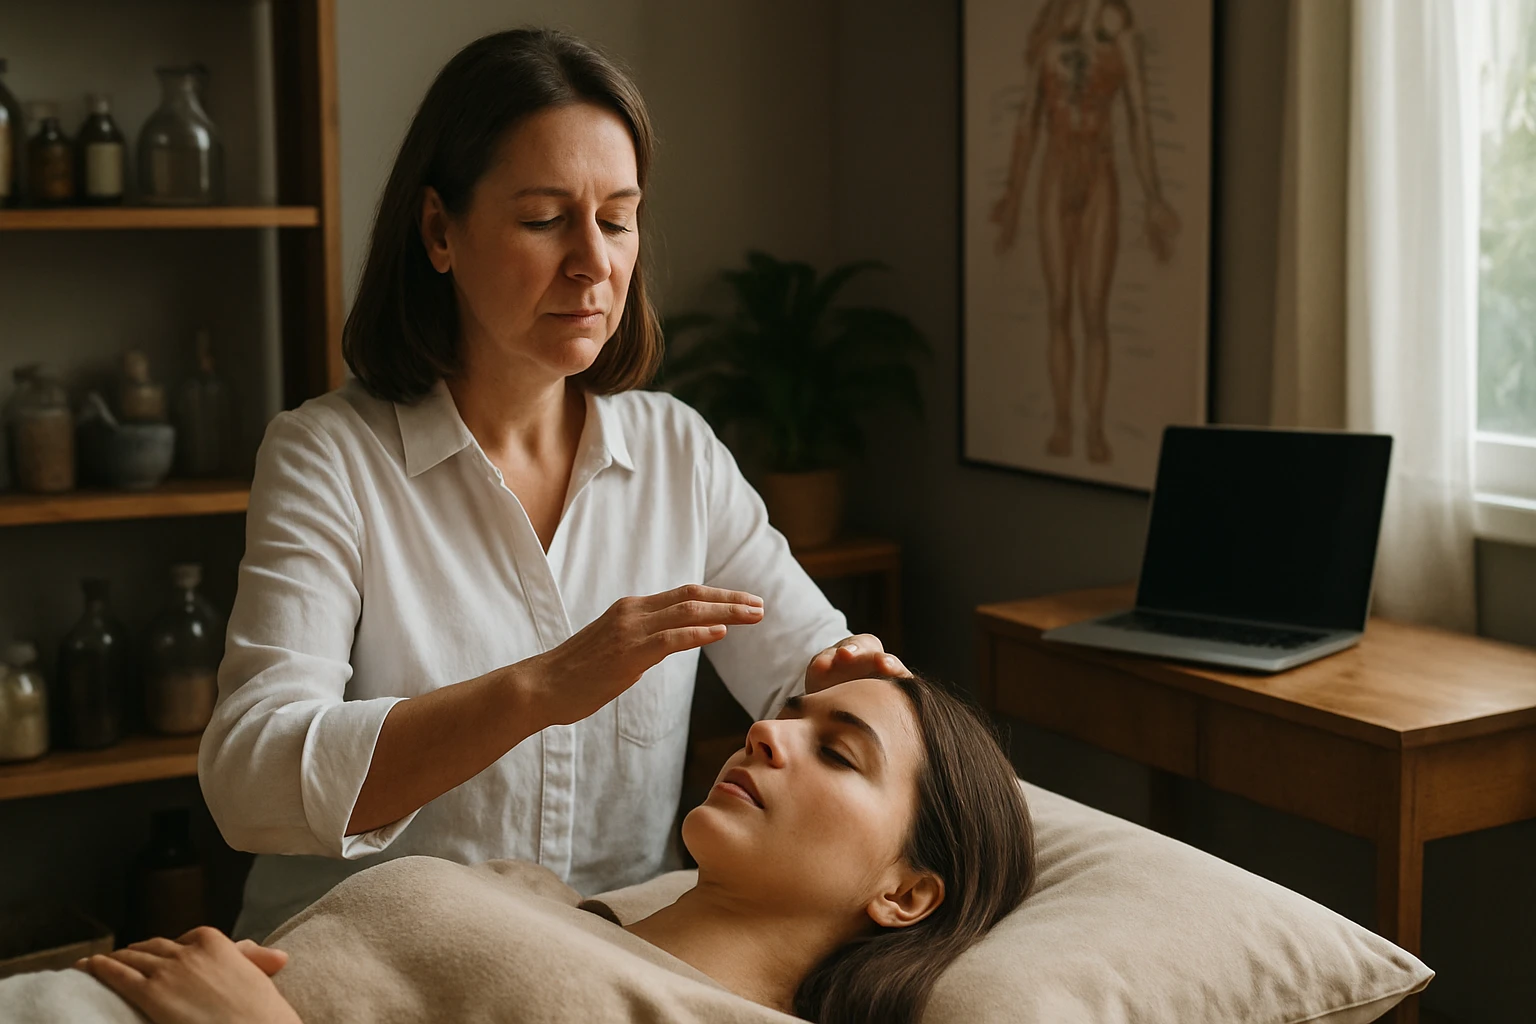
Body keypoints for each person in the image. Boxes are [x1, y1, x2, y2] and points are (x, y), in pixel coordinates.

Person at [197, 26, 907, 942]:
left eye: (616, 218)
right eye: (544, 219)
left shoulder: (678, 453)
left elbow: (806, 671)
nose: (594, 262)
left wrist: (842, 683)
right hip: (362, 965)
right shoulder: (326, 457)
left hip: (598, 967)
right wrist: (539, 688)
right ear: (438, 231)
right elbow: (249, 776)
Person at [79, 674, 1036, 1024]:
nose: (765, 733)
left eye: (837, 752)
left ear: (907, 895)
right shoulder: (541, 898)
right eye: (787, 714)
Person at [989, 0, 1180, 464]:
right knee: (1059, 308)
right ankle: (1062, 422)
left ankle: (1093, 427)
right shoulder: (1050, 40)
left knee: (1093, 312)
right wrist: (1013, 197)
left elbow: (1138, 120)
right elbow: (1028, 123)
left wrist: (1154, 196)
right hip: (1056, 174)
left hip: (1099, 174)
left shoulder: (1121, 40)